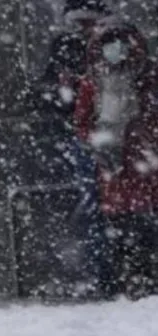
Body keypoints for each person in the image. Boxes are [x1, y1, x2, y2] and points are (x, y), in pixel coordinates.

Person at [73, 20, 158, 300]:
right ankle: (132, 282)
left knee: (143, 226)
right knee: (121, 228)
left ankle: (143, 280)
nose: (116, 51)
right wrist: (100, 143)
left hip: (143, 163)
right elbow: (82, 123)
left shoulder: (149, 77)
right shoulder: (93, 83)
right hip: (117, 165)